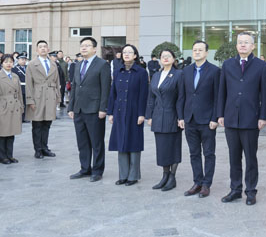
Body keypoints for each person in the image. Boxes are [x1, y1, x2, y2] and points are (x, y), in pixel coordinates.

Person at [216, 32, 266, 205]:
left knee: (250, 157)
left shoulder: (262, 66)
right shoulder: (227, 65)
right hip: (231, 118)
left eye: (246, 42)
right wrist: (220, 114)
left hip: (251, 119)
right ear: (236, 46)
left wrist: (263, 116)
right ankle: (235, 189)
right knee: (234, 157)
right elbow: (222, 91)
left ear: (253, 46)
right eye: (240, 42)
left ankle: (251, 191)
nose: (243, 45)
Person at [178, 40, 221, 198]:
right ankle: (197, 182)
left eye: (200, 50)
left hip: (207, 120)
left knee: (209, 153)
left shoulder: (215, 71)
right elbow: (182, 96)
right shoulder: (186, 71)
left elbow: (217, 97)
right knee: (194, 153)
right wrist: (181, 116)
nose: (197, 52)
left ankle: (206, 184)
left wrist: (215, 117)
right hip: (189, 119)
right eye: (195, 49)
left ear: (207, 53)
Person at [68, 37, 112, 181]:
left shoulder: (102, 64)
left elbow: (105, 88)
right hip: (79, 109)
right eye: (82, 45)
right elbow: (75, 86)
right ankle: (85, 168)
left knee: (96, 142)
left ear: (94, 49)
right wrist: (71, 107)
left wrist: (103, 108)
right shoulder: (78, 64)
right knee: (82, 142)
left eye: (87, 45)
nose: (84, 48)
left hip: (95, 109)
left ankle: (97, 170)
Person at [107, 44, 148, 186]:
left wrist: (142, 114)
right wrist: (110, 112)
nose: (126, 54)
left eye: (130, 52)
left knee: (134, 143)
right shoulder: (118, 71)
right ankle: (123, 175)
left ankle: (133, 176)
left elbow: (144, 94)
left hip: (134, 111)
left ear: (135, 55)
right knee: (121, 142)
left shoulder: (141, 72)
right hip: (119, 111)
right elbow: (113, 93)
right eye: (124, 52)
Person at [147, 49, 184, 191]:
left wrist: (180, 117)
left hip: (172, 115)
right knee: (162, 148)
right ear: (160, 59)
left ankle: (172, 177)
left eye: (169, 56)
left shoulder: (179, 74)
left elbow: (181, 97)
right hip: (158, 116)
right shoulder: (156, 75)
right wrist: (150, 115)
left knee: (173, 147)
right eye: (163, 56)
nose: (166, 58)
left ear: (174, 59)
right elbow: (151, 97)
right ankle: (165, 175)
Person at [26, 40, 59, 160]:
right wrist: (30, 100)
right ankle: (38, 149)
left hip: (50, 95)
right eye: (40, 47)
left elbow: (57, 82)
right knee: (37, 124)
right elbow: (29, 84)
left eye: (45, 46)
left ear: (48, 49)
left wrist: (58, 97)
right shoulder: (31, 64)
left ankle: (45, 148)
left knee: (47, 124)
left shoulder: (53, 63)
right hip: (37, 95)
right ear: (36, 50)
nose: (43, 48)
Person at [0, 54, 24, 164]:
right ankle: (2, 156)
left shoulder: (15, 76)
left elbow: (19, 93)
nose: (9, 64)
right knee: (2, 133)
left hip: (14, 106)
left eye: (11, 62)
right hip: (3, 107)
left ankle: (10, 155)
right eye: (6, 62)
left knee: (11, 133)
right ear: (1, 63)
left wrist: (21, 106)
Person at [12, 53, 29, 123]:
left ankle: (25, 117)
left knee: (26, 103)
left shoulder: (28, 68)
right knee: (20, 103)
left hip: (27, 88)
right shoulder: (15, 69)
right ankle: (20, 117)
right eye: (22, 59)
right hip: (20, 87)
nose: (24, 61)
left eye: (25, 59)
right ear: (18, 60)